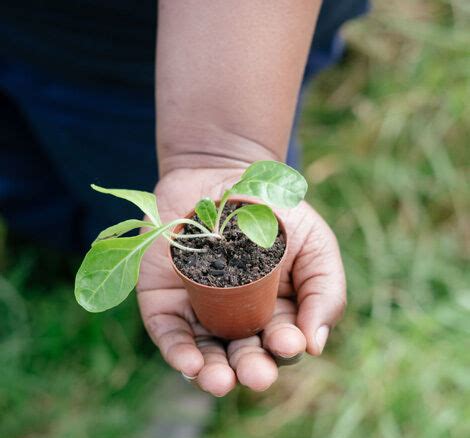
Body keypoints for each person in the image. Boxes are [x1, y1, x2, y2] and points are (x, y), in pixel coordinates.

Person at [0, 1, 367, 398]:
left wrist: (219, 148)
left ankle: (184, 378)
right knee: (27, 177)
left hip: (203, 48)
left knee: (119, 166)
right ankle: (50, 241)